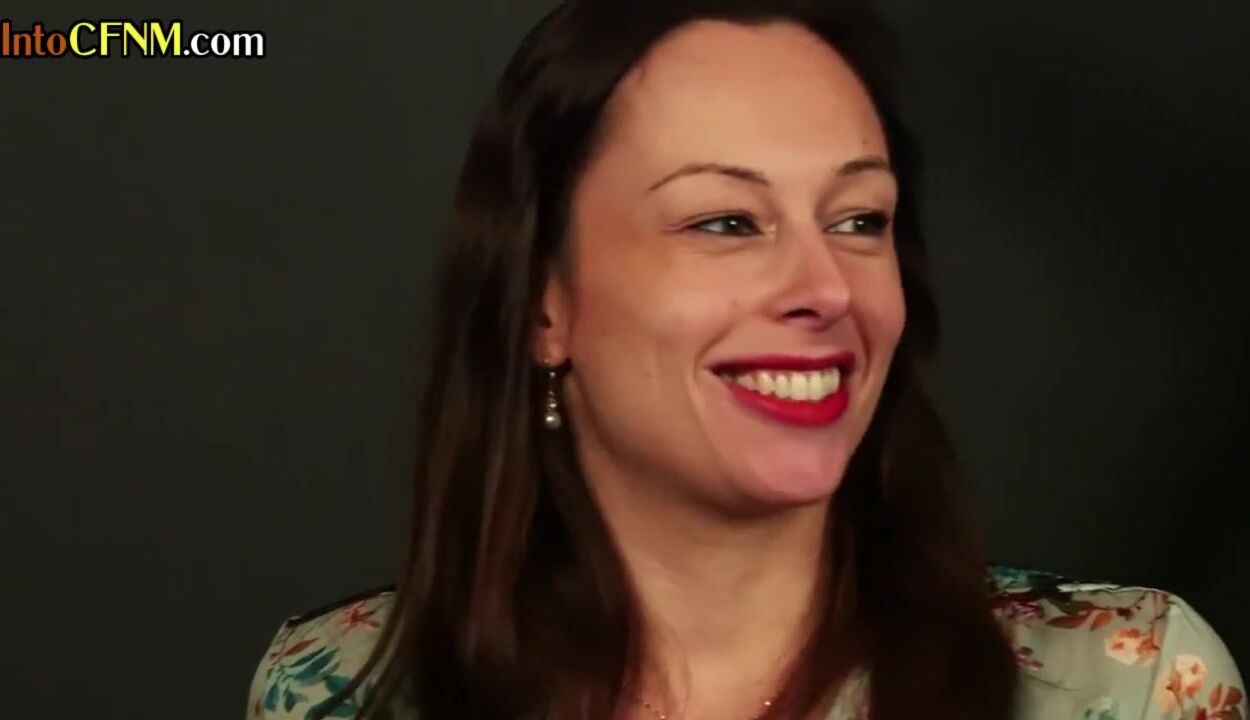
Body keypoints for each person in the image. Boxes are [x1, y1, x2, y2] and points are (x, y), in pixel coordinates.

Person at [247, 1, 1245, 718]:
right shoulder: (336, 688)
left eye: (858, 220)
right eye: (727, 221)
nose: (826, 287)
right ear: (543, 306)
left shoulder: (1130, 685)